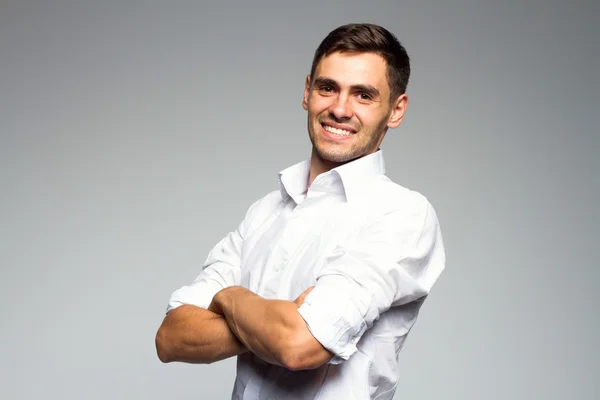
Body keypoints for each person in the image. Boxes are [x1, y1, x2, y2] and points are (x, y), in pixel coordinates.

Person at [155, 23, 445, 399]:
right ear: (307, 91)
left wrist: (231, 298)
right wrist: (273, 322)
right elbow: (171, 338)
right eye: (328, 88)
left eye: (363, 95)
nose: (340, 109)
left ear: (396, 110)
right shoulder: (265, 212)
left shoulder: (402, 215)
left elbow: (298, 345)